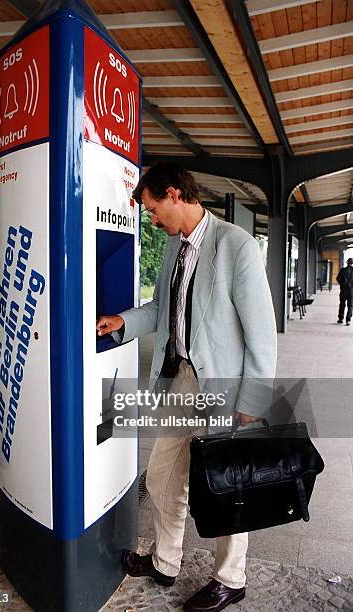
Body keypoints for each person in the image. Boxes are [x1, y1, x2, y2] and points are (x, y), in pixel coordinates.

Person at [96, 162, 277, 612]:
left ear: (175, 194)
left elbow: (262, 335)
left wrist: (252, 401)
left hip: (220, 387)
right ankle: (165, 561)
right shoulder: (176, 249)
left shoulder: (236, 247)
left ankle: (231, 579)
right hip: (179, 381)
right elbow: (162, 309)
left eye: (154, 209)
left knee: (227, 483)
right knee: (162, 477)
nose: (153, 220)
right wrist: (124, 321)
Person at [336, 258, 353, 326]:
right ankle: (348, 320)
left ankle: (341, 319)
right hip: (351, 291)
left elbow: (338, 278)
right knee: (350, 306)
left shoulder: (342, 270)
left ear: (347, 263)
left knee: (342, 304)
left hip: (343, 290)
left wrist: (342, 284)